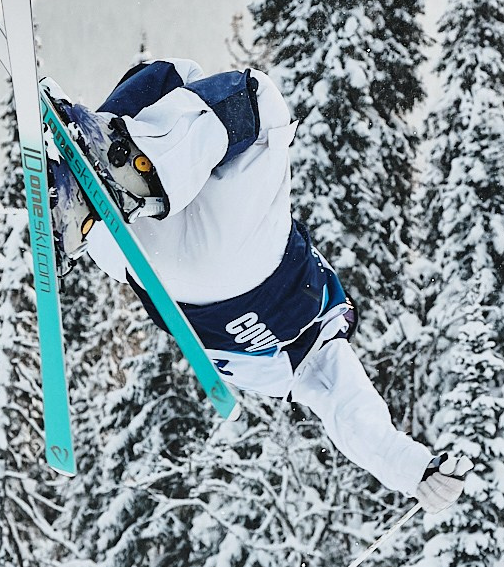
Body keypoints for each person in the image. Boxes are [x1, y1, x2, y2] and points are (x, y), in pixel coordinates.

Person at [45, 58, 472, 511]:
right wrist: (412, 470)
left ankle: (101, 178)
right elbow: (353, 414)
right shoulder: (310, 363)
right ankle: (92, 195)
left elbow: (167, 79)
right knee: (202, 120)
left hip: (212, 258)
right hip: (173, 280)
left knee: (253, 95)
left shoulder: (318, 339)